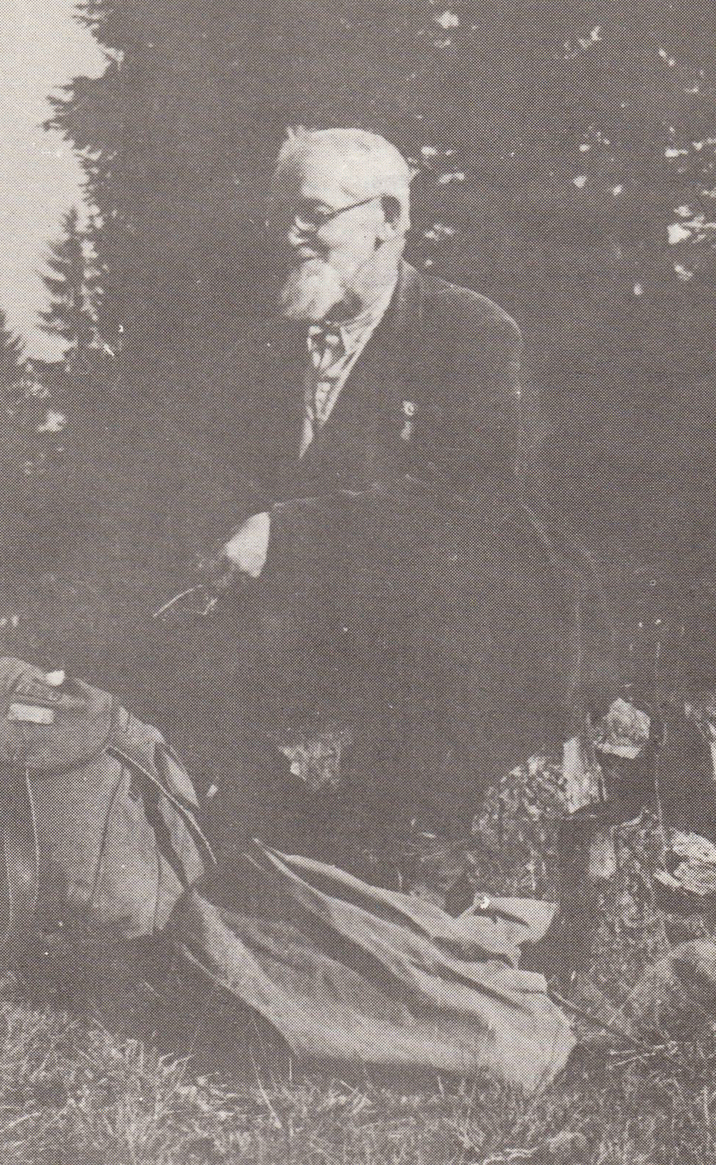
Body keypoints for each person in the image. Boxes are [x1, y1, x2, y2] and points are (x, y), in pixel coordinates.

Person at [199, 128, 591, 846]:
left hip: (449, 645)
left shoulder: (467, 330)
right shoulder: (262, 350)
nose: (289, 235)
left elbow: (468, 498)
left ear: (387, 219)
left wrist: (284, 531)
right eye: (281, 215)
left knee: (390, 850)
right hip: (310, 646)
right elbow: (218, 487)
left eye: (313, 214)